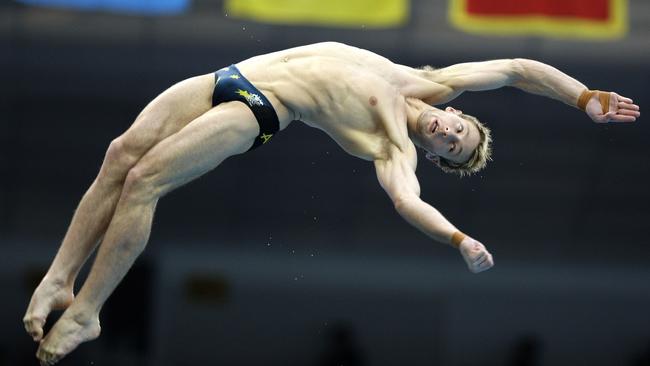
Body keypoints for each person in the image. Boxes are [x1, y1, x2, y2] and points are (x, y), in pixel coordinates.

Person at [22, 41, 640, 365]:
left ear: (434, 158)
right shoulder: (427, 79)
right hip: (233, 74)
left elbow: (406, 204)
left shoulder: (391, 146)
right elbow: (517, 67)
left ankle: (88, 312)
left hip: (260, 110)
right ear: (457, 113)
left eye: (451, 152)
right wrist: (583, 96)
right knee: (119, 153)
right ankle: (58, 278)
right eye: (460, 132)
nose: (449, 139)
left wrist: (457, 238)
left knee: (146, 180)